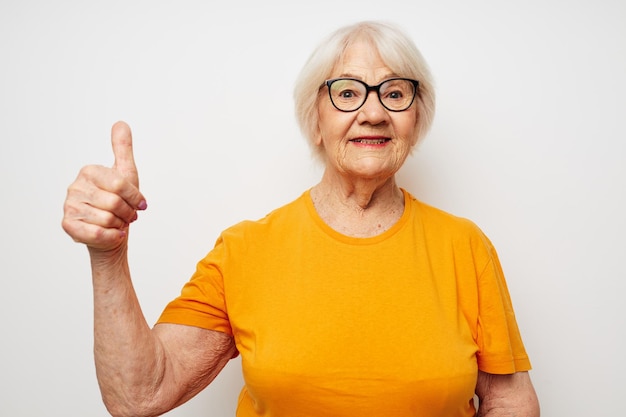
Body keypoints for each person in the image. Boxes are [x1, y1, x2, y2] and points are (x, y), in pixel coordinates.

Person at [62, 20, 540, 417]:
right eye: (347, 92)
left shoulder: (465, 246)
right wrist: (108, 255)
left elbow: (508, 401)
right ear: (316, 119)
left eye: (395, 93)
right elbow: (140, 395)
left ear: (416, 119)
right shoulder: (246, 251)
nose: (373, 112)